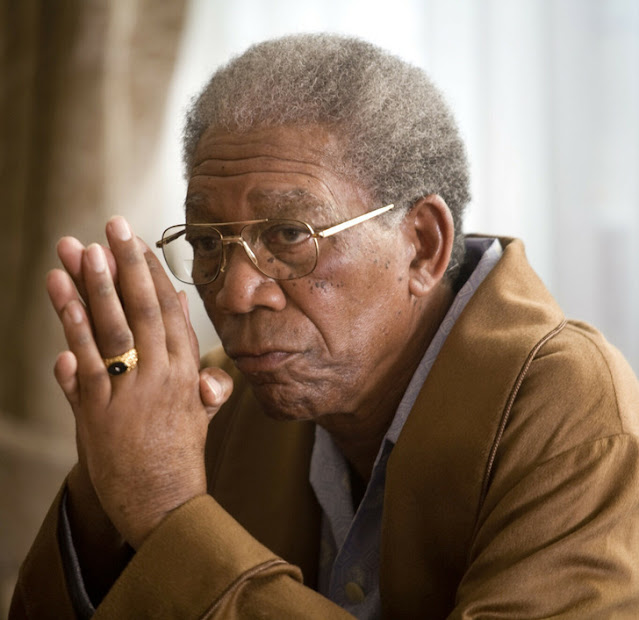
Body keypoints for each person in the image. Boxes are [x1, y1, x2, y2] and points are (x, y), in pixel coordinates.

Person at [10, 33, 639, 619]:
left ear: (422, 246)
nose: (234, 293)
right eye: (206, 241)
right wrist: (109, 483)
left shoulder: (568, 405)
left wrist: (170, 512)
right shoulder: (218, 400)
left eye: (289, 234)